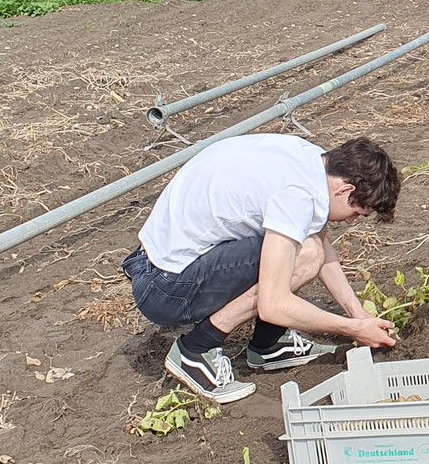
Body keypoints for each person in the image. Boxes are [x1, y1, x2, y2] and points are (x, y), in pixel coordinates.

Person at [121, 135, 402, 403]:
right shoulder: (298, 195)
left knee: (307, 248)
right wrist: (353, 329)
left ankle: (268, 345)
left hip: (155, 263)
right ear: (346, 189)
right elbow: (274, 304)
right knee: (304, 256)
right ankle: (195, 350)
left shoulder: (312, 160)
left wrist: (359, 313)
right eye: (356, 213)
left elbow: (319, 241)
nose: (351, 222)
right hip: (165, 288)